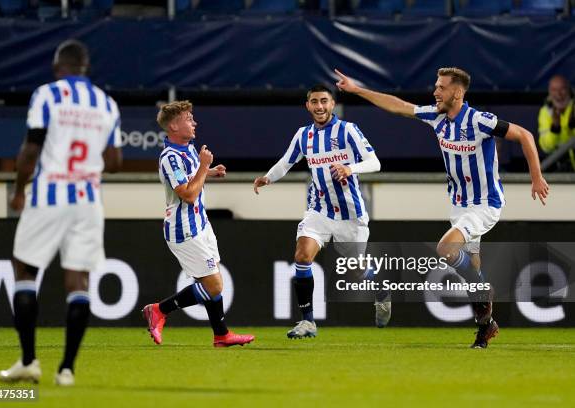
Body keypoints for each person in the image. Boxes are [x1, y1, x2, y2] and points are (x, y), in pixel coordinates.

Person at [335, 67, 549, 348]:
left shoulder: (479, 120)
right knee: (472, 270)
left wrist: (536, 176)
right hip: (459, 206)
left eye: (442, 87)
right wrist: (358, 90)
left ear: (458, 92)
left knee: (446, 249)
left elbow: (525, 135)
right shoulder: (436, 117)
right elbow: (399, 107)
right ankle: (485, 327)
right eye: (436, 86)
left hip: (485, 205)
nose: (436, 91)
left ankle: (483, 292)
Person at [0, 39, 122, 386]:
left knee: (25, 270)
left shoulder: (47, 95)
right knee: (78, 280)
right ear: (86, 69)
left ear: (57, 68)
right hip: (87, 199)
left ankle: (28, 360)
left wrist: (19, 190)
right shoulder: (106, 103)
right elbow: (114, 162)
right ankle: (66, 370)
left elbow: (30, 149)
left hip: (48, 195)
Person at [253, 84, 387, 339]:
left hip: (351, 214)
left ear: (332, 103)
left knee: (356, 272)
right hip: (320, 211)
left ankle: (380, 289)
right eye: (314, 101)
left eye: (324, 101)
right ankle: (307, 322)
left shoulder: (348, 130)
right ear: (308, 106)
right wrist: (267, 178)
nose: (319, 106)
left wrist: (350, 169)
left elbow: (375, 163)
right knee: (302, 256)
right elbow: (286, 161)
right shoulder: (304, 135)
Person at [142, 101, 254, 348]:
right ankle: (159, 310)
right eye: (188, 118)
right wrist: (204, 166)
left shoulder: (188, 148)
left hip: (200, 224)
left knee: (212, 284)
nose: (194, 122)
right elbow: (189, 194)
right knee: (214, 285)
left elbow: (193, 177)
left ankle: (221, 335)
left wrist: (210, 171)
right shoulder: (169, 157)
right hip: (183, 229)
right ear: (173, 125)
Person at [538, 75, 575, 171]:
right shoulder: (545, 111)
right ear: (549, 92)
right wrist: (555, 128)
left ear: (569, 90)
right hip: (557, 167)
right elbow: (546, 147)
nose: (559, 94)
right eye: (554, 90)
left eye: (562, 89)